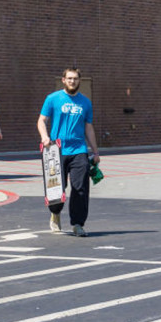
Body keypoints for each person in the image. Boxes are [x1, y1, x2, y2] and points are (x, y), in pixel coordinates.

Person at [37, 67, 99, 237]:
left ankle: (78, 224)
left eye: (76, 79)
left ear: (80, 80)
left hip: (79, 150)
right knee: (57, 188)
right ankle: (55, 213)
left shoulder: (85, 102)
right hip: (56, 151)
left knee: (80, 188)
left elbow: (89, 127)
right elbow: (42, 121)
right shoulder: (53, 99)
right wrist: (44, 136)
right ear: (63, 80)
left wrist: (95, 151)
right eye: (69, 78)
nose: (73, 81)